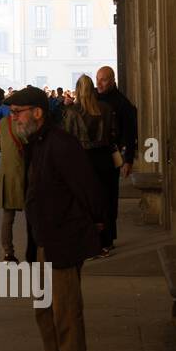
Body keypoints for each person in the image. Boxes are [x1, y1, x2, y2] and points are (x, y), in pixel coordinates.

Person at [5, 86, 105, 351]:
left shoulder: (61, 144)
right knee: (44, 309)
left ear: (38, 112)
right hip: (44, 240)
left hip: (64, 240)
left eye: (18, 112)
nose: (14, 119)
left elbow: (87, 189)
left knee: (66, 311)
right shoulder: (36, 143)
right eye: (12, 114)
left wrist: (93, 229)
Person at [62, 74, 118, 256]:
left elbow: (67, 139)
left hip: (82, 160)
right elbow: (113, 134)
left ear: (77, 90)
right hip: (104, 159)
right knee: (105, 201)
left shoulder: (71, 112)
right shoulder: (106, 108)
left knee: (85, 202)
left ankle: (89, 242)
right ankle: (106, 242)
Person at [95, 65, 137, 252]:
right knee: (96, 198)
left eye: (103, 79)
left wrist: (128, 160)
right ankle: (98, 237)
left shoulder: (122, 104)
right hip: (95, 157)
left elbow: (130, 133)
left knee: (109, 197)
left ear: (112, 80)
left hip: (112, 156)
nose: (99, 83)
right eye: (98, 79)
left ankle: (108, 238)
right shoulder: (94, 99)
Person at [0, 107, 26, 263]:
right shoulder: (22, 123)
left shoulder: (2, 123)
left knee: (8, 218)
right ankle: (36, 252)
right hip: (23, 173)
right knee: (33, 217)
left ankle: (8, 253)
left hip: (6, 174)